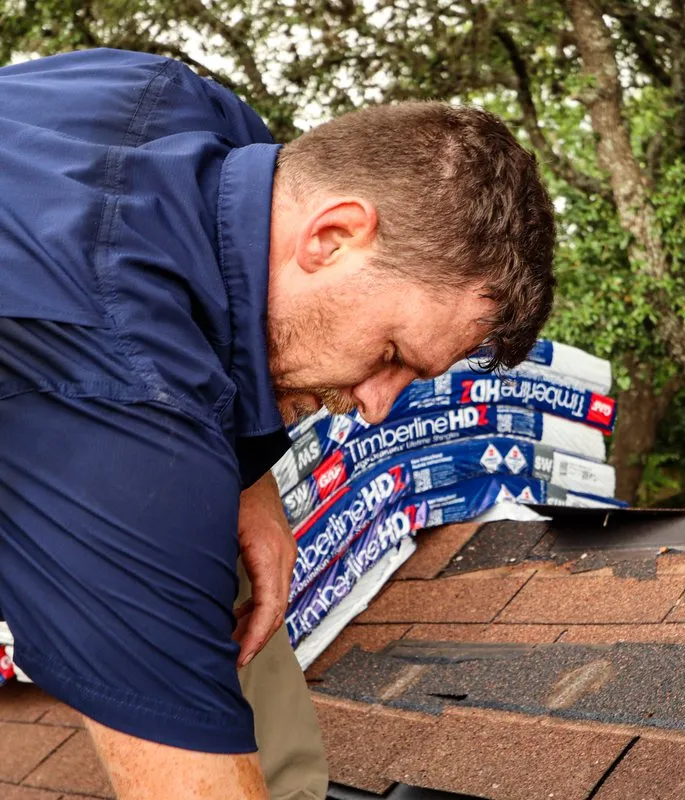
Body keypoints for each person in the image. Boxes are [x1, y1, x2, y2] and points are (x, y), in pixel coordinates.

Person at [0, 48, 556, 799]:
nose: (375, 403)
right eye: (390, 353)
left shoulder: (197, 116)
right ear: (330, 236)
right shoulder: (126, 403)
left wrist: (252, 477)